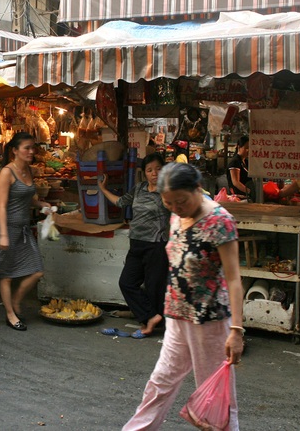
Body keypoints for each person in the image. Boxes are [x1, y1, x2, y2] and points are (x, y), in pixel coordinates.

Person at [122, 162, 244, 431]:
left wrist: (236, 330)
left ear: (198, 189)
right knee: (159, 383)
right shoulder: (176, 215)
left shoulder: (220, 221)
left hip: (209, 322)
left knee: (216, 397)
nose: (176, 207)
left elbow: (234, 279)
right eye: (169, 203)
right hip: (176, 315)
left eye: (181, 201)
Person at [0, 132, 51, 331]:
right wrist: (3, 234)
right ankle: (11, 314)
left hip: (23, 230)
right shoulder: (7, 173)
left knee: (37, 271)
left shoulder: (28, 170)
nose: (31, 151)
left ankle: (15, 300)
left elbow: (27, 198)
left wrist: (41, 204)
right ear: (15, 150)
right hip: (9, 229)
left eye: (33, 147)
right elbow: (2, 206)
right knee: (7, 275)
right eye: (26, 148)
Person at [98, 153, 170, 338]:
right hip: (136, 243)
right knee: (127, 282)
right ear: (144, 173)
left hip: (156, 244)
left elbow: (178, 209)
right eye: (149, 170)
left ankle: (150, 324)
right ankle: (151, 317)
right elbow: (121, 202)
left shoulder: (168, 191)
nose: (154, 173)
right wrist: (103, 188)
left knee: (155, 287)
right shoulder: (139, 189)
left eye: (158, 169)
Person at [226, 135, 253, 200]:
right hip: (238, 197)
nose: (248, 150)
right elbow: (236, 182)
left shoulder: (245, 161)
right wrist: (250, 192)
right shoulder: (235, 162)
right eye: (246, 148)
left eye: (250, 148)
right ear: (239, 147)